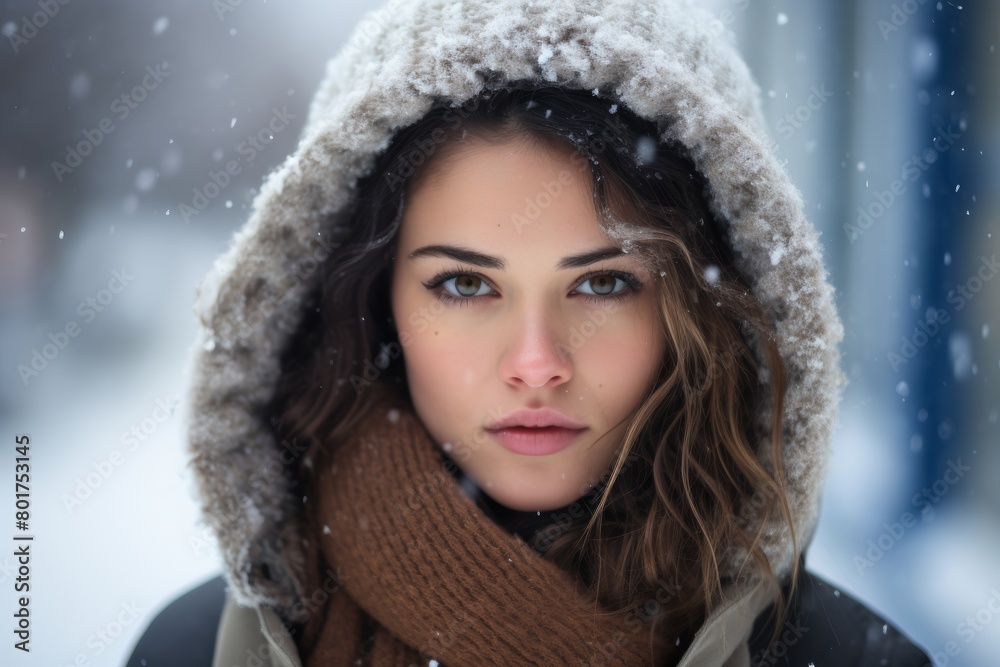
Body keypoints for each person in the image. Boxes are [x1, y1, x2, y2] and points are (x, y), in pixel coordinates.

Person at [127, 0, 934, 665]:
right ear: (371, 302)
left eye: (604, 283)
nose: (537, 363)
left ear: (704, 310)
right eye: (466, 284)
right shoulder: (191, 651)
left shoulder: (855, 657)